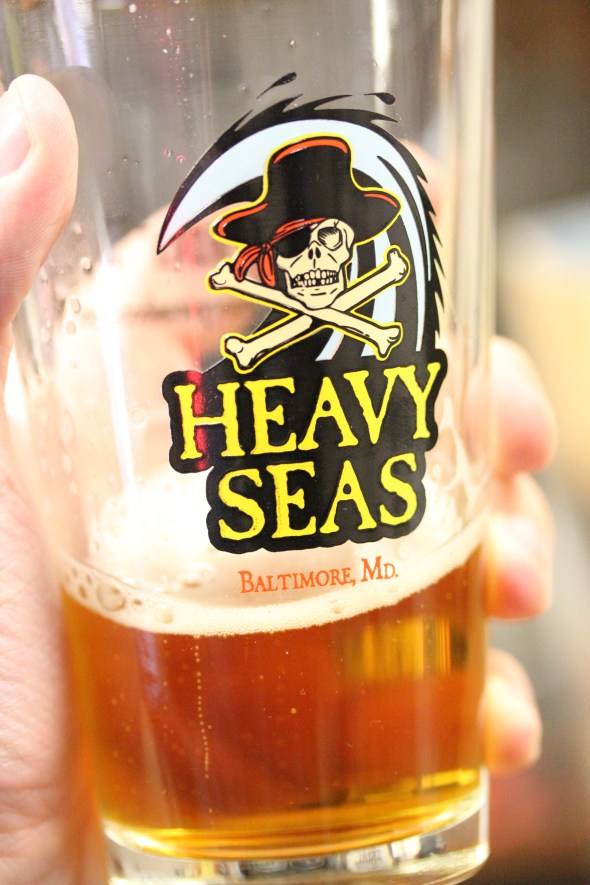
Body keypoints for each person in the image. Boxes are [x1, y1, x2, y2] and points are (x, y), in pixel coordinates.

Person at [0, 76, 557, 885]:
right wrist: (26, 851)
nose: (322, 263)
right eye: (299, 248)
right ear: (263, 263)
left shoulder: (385, 352)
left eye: (335, 243)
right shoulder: (162, 388)